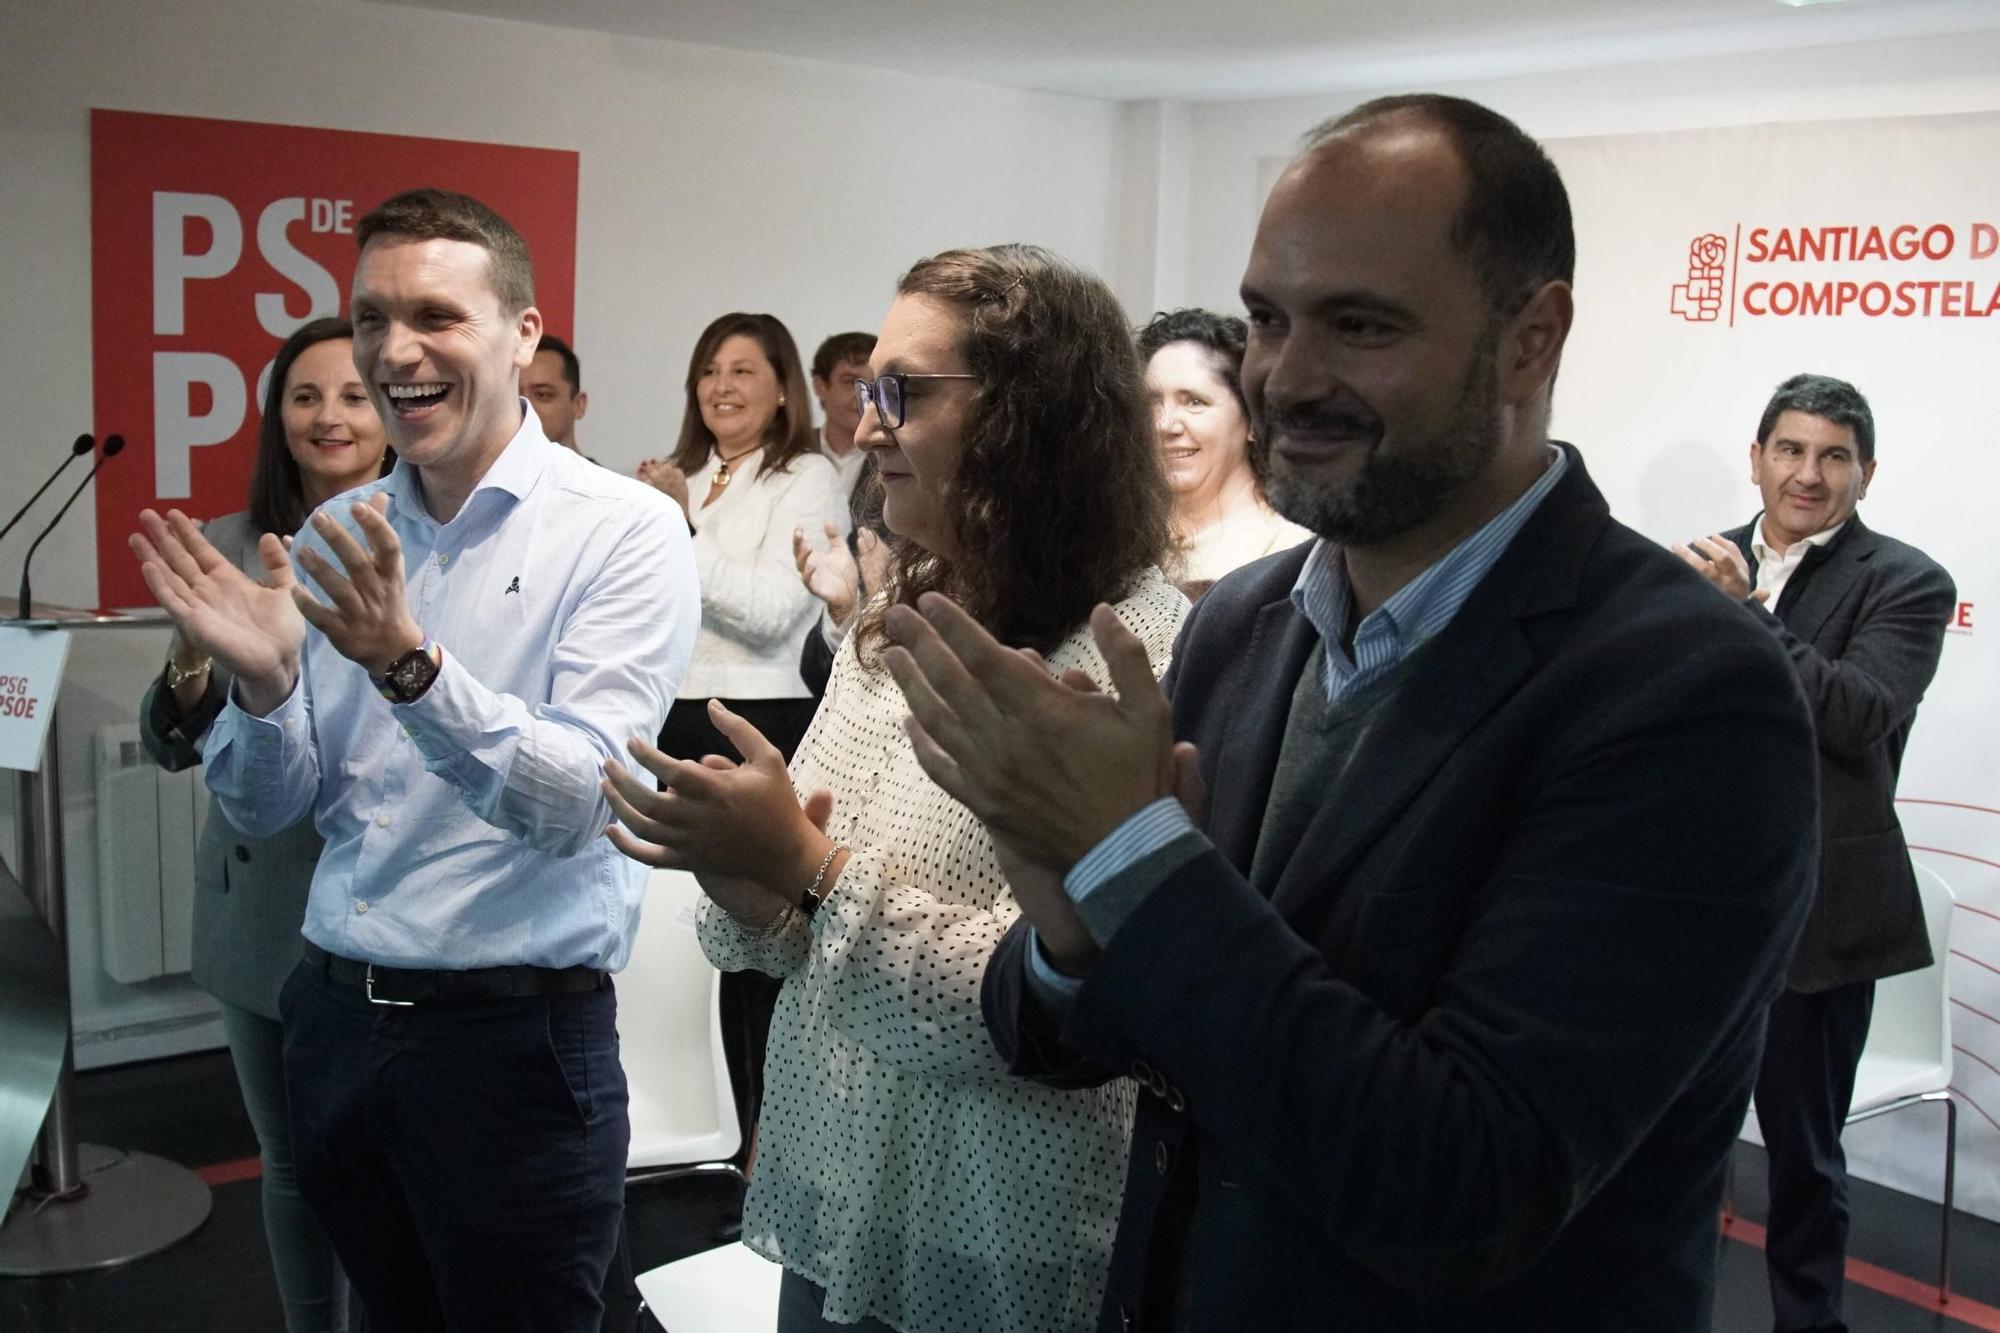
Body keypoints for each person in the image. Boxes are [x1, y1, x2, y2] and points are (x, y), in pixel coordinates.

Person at [887, 96, 1822, 1329]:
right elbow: (1072, 1040)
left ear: (1530, 338)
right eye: (1265, 321)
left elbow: (1459, 1188)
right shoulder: (1240, 624)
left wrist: (1127, 855)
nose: (1287, 377)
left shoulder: (1688, 695)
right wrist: (1067, 928)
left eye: (1361, 326)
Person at [129, 187, 698, 1333]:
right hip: (336, 1017)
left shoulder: (620, 529)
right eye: (371, 316)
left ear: (522, 333)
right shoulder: (344, 530)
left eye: (435, 314)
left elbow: (582, 800)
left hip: (512, 1044)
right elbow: (273, 804)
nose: (395, 351)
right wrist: (263, 685)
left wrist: (408, 666)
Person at [601, 244, 1186, 1332]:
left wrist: (807, 874)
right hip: (838, 1178)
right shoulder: (891, 625)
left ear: (1031, 417)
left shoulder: (1131, 657)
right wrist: (751, 878)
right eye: (868, 390)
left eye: (900, 394)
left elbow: (1057, 1004)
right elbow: (799, 938)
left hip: (1001, 1213)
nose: (866, 426)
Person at [1673, 373, 1955, 1333]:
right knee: (1668, 1137)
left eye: (1833, 455)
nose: (1808, 473)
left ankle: (1809, 1322)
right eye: (1789, 449)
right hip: (1694, 900)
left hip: (1823, 905)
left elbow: (1857, 713)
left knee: (1802, 1153)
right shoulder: (1697, 561)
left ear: (1865, 475)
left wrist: (1745, 614)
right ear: (1757, 458)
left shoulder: (1909, 581)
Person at [139, 315, 387, 1333]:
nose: (328, 416)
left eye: (353, 395)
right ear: (276, 414)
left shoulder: (429, 545)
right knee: (288, 1166)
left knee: (379, 1175)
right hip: (260, 908)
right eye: (304, 395)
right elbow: (170, 740)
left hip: (386, 907)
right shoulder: (225, 547)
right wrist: (203, 661)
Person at [1136, 308, 1308, 597]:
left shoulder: (1287, 548)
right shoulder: (1125, 540)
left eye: (1194, 401)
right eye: (1153, 402)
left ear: (1253, 420)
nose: (1166, 424)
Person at [809, 330, 877, 518]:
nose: (865, 395)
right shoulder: (792, 450)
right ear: (821, 386)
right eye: (850, 382)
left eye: (873, 384)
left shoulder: (897, 457)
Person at [522, 332, 590, 456]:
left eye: (542, 395)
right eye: (512, 397)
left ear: (578, 405)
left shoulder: (599, 476)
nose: (525, 406)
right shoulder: (489, 475)